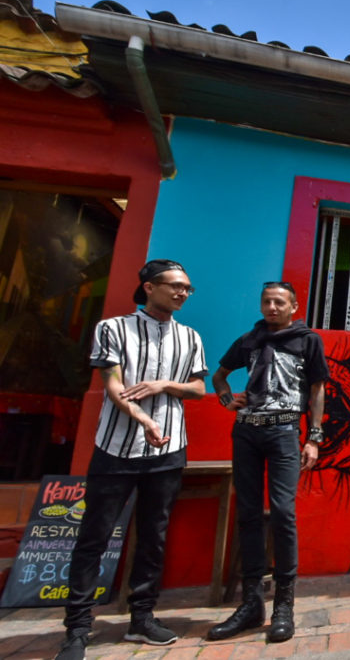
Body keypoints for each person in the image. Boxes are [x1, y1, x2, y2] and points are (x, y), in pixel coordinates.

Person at [56, 260, 207, 660]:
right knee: (94, 537)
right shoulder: (112, 329)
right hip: (116, 449)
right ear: (148, 287)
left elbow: (197, 389)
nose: (181, 293)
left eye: (187, 288)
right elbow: (112, 385)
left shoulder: (190, 337)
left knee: (154, 537)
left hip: (168, 452)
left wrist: (163, 385)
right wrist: (143, 419)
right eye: (174, 285)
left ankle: (142, 618)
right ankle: (78, 628)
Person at [208, 281, 328, 643]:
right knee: (246, 512)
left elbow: (317, 389)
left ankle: (283, 606)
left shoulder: (308, 340)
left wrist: (314, 437)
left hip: (284, 432)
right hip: (246, 432)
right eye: (266, 301)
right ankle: (250, 604)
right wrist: (228, 400)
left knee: (282, 512)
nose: (271, 307)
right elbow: (219, 374)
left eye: (279, 301)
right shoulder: (250, 339)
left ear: (293, 305)